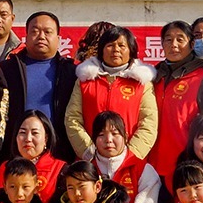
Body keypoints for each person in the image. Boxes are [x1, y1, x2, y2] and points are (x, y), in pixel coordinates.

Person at [0, 9, 77, 160]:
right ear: (25, 37)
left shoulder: (72, 72)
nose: (41, 36)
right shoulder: (6, 69)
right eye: (35, 31)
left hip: (59, 156)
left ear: (58, 39)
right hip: (14, 155)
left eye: (47, 32)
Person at [66, 23, 157, 160]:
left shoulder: (142, 83)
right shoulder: (85, 80)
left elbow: (148, 123)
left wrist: (130, 156)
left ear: (131, 50)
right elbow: (72, 118)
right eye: (110, 45)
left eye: (122, 46)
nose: (116, 50)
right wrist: (88, 152)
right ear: (101, 50)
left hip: (129, 163)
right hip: (91, 161)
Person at [150, 19, 203, 181]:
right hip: (150, 166)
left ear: (191, 44)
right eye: (168, 39)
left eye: (180, 39)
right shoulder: (154, 76)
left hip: (186, 164)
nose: (174, 45)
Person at [81, 111, 159, 203]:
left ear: (126, 137)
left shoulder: (143, 171)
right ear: (93, 140)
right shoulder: (85, 170)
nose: (108, 140)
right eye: (101, 135)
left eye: (115, 133)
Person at [6, 110, 63, 203]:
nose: (28, 139)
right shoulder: (5, 168)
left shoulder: (60, 170)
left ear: (46, 139)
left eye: (35, 133)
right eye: (22, 132)